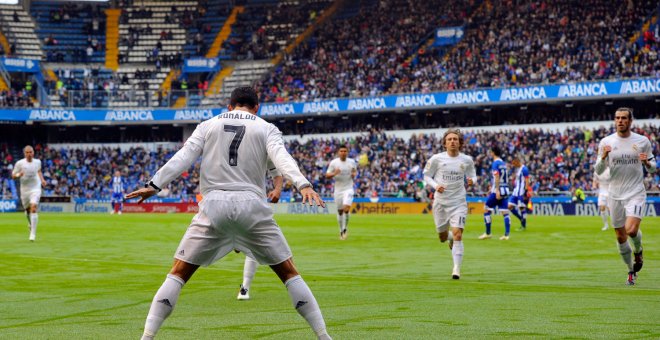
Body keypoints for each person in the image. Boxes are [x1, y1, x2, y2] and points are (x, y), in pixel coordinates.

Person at [126, 87, 331, 340]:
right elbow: (281, 158)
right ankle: (324, 337)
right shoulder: (266, 127)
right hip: (252, 206)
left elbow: (184, 156)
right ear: (257, 108)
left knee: (178, 273)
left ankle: (146, 337)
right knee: (289, 273)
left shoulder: (208, 125)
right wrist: (303, 184)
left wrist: (154, 185)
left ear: (229, 106)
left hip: (214, 205)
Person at [594, 107, 656, 285]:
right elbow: (598, 171)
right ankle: (631, 270)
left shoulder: (642, 141)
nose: (620, 121)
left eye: (623, 118)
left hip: (635, 192)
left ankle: (638, 250)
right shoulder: (606, 142)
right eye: (617, 118)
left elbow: (653, 167)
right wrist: (603, 157)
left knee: (631, 230)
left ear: (630, 121)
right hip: (615, 194)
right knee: (621, 237)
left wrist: (646, 162)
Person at [423, 129, 476, 279]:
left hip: (459, 202)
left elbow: (473, 175)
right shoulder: (436, 159)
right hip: (440, 203)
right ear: (445, 143)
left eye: (455, 139)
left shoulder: (467, 160)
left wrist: (473, 181)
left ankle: (456, 269)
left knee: (458, 234)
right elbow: (426, 175)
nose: (452, 141)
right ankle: (450, 238)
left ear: (459, 143)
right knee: (442, 237)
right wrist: (435, 186)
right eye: (449, 139)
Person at [237, 159, 283, 301]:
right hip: (227, 203)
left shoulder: (262, 149)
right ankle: (236, 242)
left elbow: (277, 173)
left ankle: (244, 288)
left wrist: (277, 189)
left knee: (253, 248)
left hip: (255, 204)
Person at [12, 145, 46, 242]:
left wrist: (42, 180)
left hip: (35, 188)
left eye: (30, 152)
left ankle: (33, 234)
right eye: (27, 152)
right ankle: (30, 224)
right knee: (27, 210)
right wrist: (19, 174)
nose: (29, 154)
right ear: (24, 154)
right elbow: (13, 176)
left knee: (33, 208)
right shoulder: (19, 163)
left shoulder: (38, 162)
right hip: (25, 190)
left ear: (33, 152)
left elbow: (39, 171)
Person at [479, 146, 511, 240]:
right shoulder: (503, 163)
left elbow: (497, 177)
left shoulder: (495, 163)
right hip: (505, 189)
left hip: (498, 190)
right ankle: (506, 235)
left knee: (486, 209)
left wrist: (496, 190)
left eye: (490, 152)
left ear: (493, 153)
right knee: (505, 212)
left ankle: (488, 233)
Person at [325, 145, 357, 240]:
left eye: (345, 151)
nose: (343, 153)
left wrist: (354, 174)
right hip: (338, 190)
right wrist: (334, 173)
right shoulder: (334, 163)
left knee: (346, 209)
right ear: (338, 152)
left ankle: (345, 229)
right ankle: (340, 230)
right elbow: (327, 175)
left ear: (347, 152)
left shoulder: (352, 162)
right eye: (341, 151)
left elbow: (354, 171)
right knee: (340, 211)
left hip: (349, 188)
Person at [507, 157, 530, 231]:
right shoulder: (518, 169)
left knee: (521, 208)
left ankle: (523, 226)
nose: (513, 165)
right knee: (509, 206)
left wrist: (526, 191)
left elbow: (527, 180)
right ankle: (521, 219)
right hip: (516, 191)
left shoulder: (524, 169)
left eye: (514, 163)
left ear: (517, 161)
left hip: (521, 192)